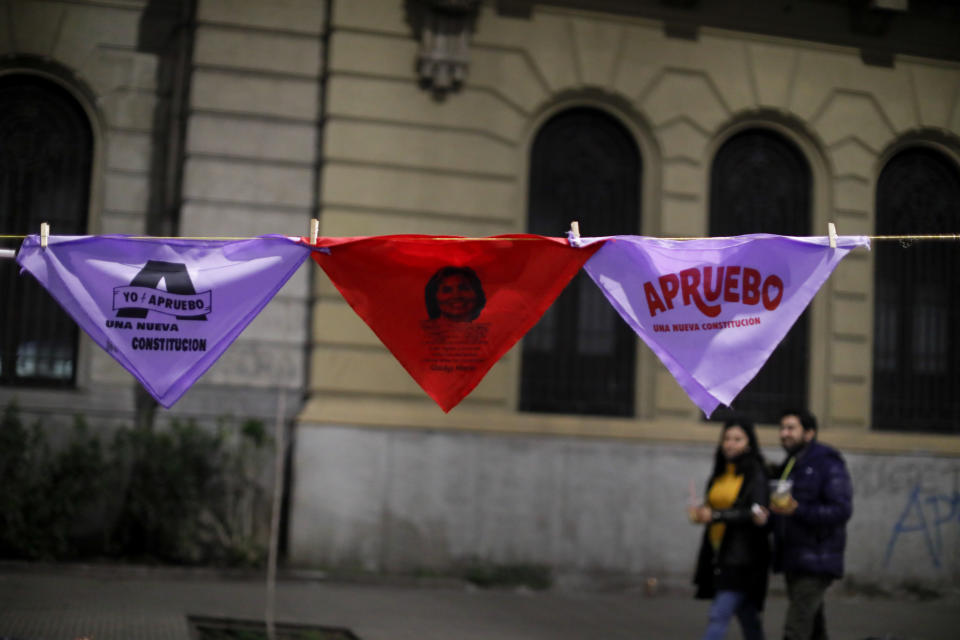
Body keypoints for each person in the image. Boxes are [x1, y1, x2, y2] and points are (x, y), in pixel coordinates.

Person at [768, 409, 853, 640]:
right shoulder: (791, 463)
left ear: (809, 433)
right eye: (782, 428)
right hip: (793, 557)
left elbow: (841, 510)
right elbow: (783, 508)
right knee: (813, 625)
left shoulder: (827, 462)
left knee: (795, 628)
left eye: (791, 428)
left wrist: (799, 510)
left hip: (816, 558)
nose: (784, 433)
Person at [691, 417, 771, 640]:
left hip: (743, 557)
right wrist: (702, 512)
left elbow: (756, 511)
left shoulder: (755, 472)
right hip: (719, 551)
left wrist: (716, 515)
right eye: (726, 438)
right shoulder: (722, 471)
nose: (730, 444)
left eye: (737, 439)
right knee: (747, 615)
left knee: (719, 613)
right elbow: (714, 504)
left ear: (749, 442)